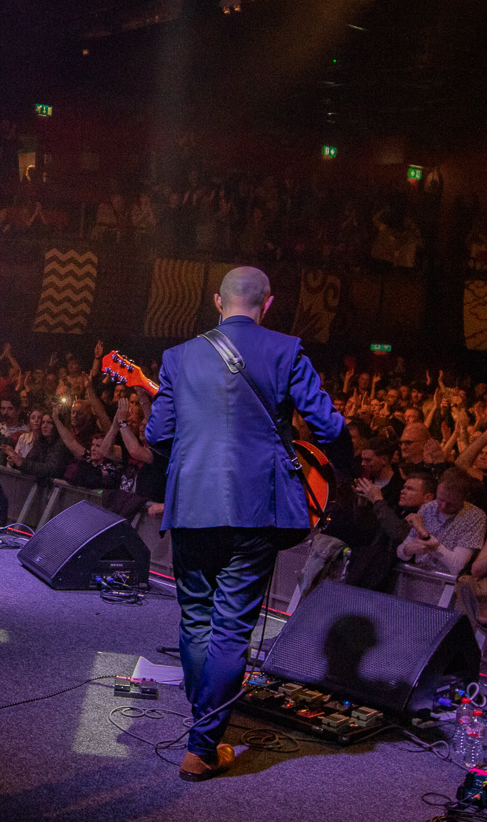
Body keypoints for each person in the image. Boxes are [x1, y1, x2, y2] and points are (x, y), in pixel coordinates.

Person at [144, 266, 345, 782]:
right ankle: (202, 744)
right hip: (257, 507)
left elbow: (157, 434)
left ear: (217, 301)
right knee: (232, 623)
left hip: (191, 503)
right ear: (269, 304)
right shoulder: (286, 350)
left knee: (195, 619)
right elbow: (329, 426)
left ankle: (202, 734)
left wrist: (194, 447)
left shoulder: (178, 357)